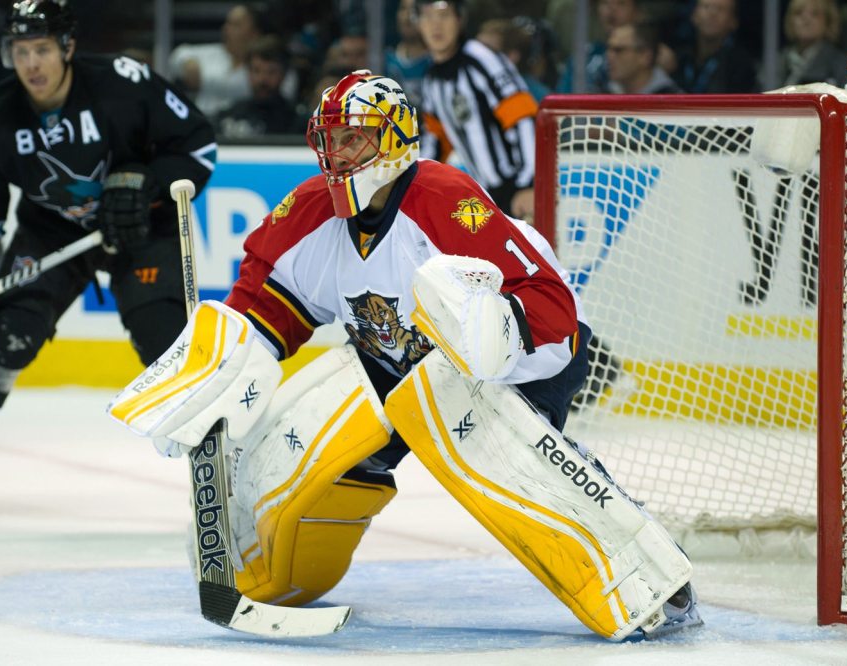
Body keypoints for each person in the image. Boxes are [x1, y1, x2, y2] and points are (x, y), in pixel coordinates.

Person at [109, 69, 702, 642]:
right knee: (300, 434)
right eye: (329, 140)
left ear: (393, 137)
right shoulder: (311, 211)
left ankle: (647, 574)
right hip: (393, 363)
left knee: (485, 441)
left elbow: (549, 302)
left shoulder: (444, 198)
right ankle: (261, 569)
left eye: (353, 138)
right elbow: (266, 308)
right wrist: (218, 365)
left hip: (519, 363)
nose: (337, 155)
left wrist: (495, 337)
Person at [0, 0, 216, 524]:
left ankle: (217, 474)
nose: (32, 64)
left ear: (68, 48)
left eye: (43, 50)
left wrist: (146, 184)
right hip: (51, 234)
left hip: (142, 228)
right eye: (21, 51)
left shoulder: (123, 82)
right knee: (7, 336)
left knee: (166, 342)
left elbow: (200, 146)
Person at [414, 0, 536, 220]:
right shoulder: (432, 80)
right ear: (419, 24)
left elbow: (523, 117)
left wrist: (530, 183)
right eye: (427, 16)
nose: (436, 25)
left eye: (443, 15)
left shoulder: (481, 59)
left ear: (460, 19)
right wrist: (414, 189)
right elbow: (436, 143)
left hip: (518, 190)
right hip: (485, 198)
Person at [167, 4, 263, 118]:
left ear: (254, 33)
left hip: (245, 128)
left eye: (235, 25)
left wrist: (205, 80)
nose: (226, 28)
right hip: (203, 124)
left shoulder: (262, 65)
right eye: (227, 23)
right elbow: (178, 54)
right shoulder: (214, 53)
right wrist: (188, 63)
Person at [213, 35, 304, 137]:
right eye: (256, 71)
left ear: (283, 74)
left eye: (271, 72)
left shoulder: (298, 122)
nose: (263, 79)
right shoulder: (228, 116)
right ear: (248, 72)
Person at [669, 0, 757, 94]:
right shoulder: (678, 57)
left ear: (733, 22)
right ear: (694, 15)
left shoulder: (741, 65)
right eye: (706, 7)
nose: (712, 14)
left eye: (720, 9)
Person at [556, 0, 641, 94]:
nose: (612, 9)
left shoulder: (650, 57)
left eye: (621, 3)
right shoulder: (583, 56)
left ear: (636, 11)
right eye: (605, 2)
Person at [777, 0, 847, 88]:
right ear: (790, 20)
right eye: (798, 13)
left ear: (827, 21)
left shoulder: (839, 65)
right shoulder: (776, 62)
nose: (806, 19)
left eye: (815, 14)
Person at [605, 22, 682, 94]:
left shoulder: (673, 101)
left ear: (646, 56)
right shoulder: (604, 91)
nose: (609, 56)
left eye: (619, 50)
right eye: (609, 49)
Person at [385, 0, 433, 109]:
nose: (407, 15)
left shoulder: (436, 61)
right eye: (403, 8)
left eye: (414, 9)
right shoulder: (384, 59)